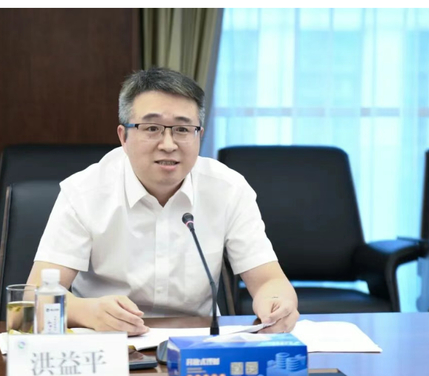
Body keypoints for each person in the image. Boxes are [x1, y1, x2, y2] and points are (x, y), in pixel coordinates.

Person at [27, 67, 299, 336]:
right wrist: (87, 312)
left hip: (198, 344)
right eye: (152, 128)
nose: (168, 144)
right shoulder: (84, 191)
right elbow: (34, 297)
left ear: (199, 135)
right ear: (123, 136)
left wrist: (277, 304)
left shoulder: (229, 189)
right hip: (108, 341)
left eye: (182, 129)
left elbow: (269, 281)